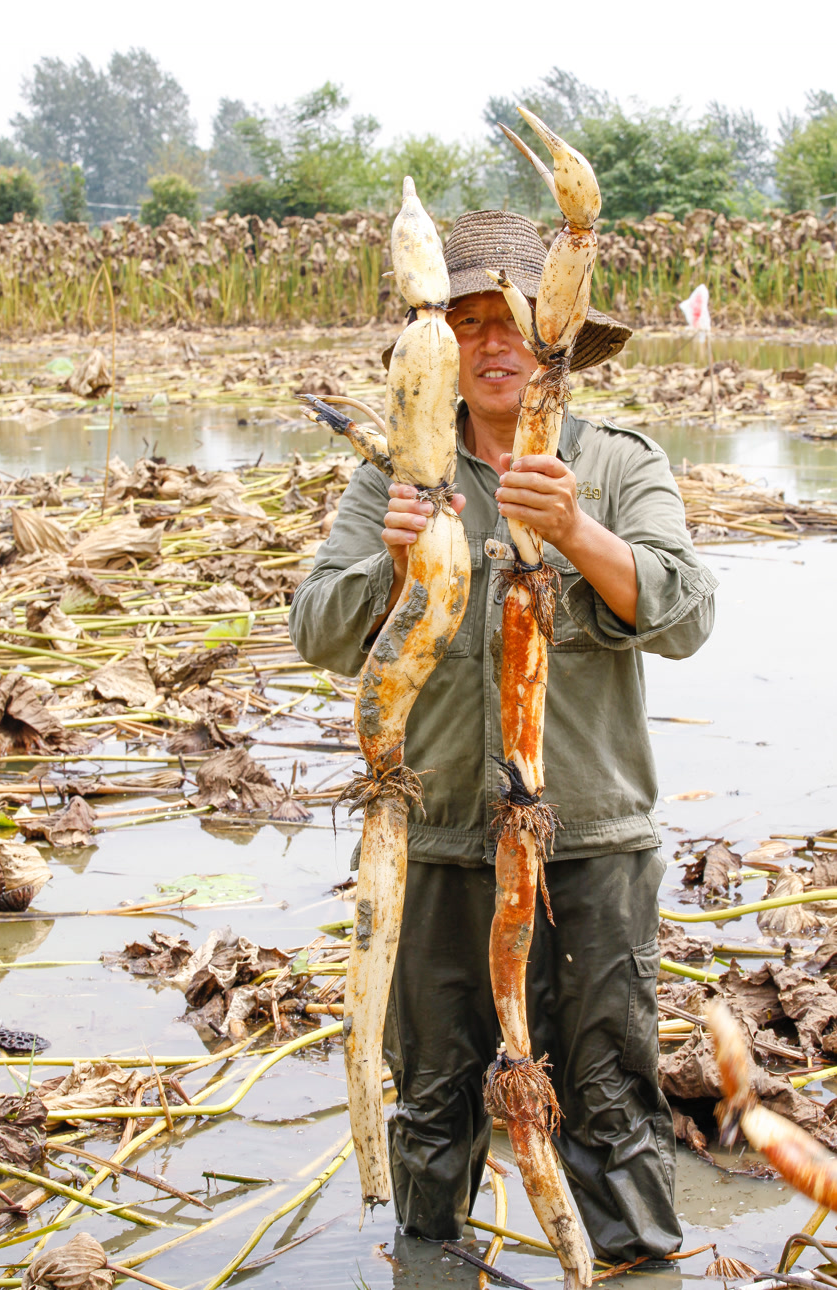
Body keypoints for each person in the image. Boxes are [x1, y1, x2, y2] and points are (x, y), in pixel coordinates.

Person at [289, 210, 717, 1264]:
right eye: (467, 322)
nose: (491, 345)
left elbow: (685, 615)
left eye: (513, 321)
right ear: (434, 351)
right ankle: (429, 1266)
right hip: (435, 847)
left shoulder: (615, 464)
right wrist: (392, 564)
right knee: (432, 1110)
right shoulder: (392, 475)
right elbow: (317, 631)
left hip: (589, 846)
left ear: (553, 340)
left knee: (608, 1104)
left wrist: (575, 530)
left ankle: (632, 1268)